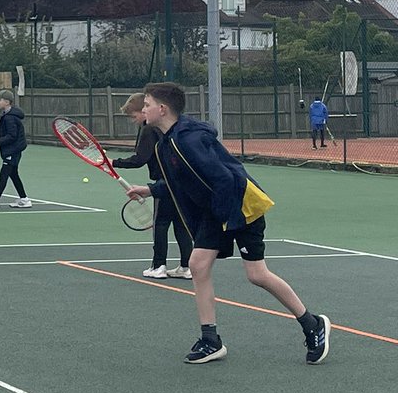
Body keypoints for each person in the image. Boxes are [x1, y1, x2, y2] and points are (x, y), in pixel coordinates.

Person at [125, 82, 330, 365]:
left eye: (147, 104)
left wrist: (223, 219)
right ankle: (211, 340)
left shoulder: (188, 140)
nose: (143, 108)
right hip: (217, 211)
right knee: (198, 265)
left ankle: (312, 324)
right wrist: (150, 189)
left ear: (162, 109)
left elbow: (223, 179)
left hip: (242, 205)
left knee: (257, 275)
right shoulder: (165, 145)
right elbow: (178, 181)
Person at [112, 92, 192, 280]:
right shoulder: (171, 126)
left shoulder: (149, 129)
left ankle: (159, 266)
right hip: (180, 182)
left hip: (164, 184)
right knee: (181, 225)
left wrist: (114, 162)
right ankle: (186, 267)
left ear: (145, 111)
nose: (134, 121)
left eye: (134, 116)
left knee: (161, 224)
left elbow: (140, 159)